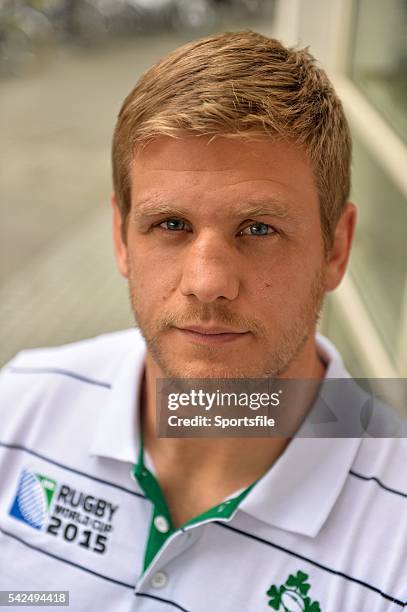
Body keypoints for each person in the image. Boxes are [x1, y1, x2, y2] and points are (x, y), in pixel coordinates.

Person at [0, 30, 406, 612]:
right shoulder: (20, 410)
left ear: (335, 250)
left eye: (259, 229)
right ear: (121, 238)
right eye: (170, 225)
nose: (208, 281)